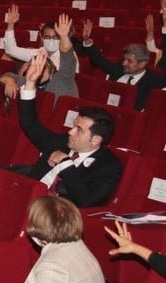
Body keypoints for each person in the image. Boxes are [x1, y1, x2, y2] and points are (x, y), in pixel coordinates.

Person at [13, 50, 123, 208]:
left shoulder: (108, 166)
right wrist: (30, 84)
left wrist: (65, 163)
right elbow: (29, 124)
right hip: (24, 198)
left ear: (95, 140)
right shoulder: (62, 141)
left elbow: (85, 201)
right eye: (74, 126)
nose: (70, 131)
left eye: (79, 129)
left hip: (53, 217)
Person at [79, 19, 164, 111]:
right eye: (124, 59)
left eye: (129, 61)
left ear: (142, 64)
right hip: (105, 111)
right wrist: (86, 39)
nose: (124, 63)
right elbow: (99, 60)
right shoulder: (119, 68)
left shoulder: (154, 83)